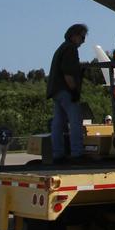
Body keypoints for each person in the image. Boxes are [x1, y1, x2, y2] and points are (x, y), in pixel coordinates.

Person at [47, 23, 88, 164]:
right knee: (76, 121)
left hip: (56, 90)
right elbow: (68, 74)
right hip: (65, 90)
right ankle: (77, 153)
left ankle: (57, 153)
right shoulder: (71, 49)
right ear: (74, 36)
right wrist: (74, 91)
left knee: (58, 123)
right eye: (82, 37)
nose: (83, 41)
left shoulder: (62, 48)